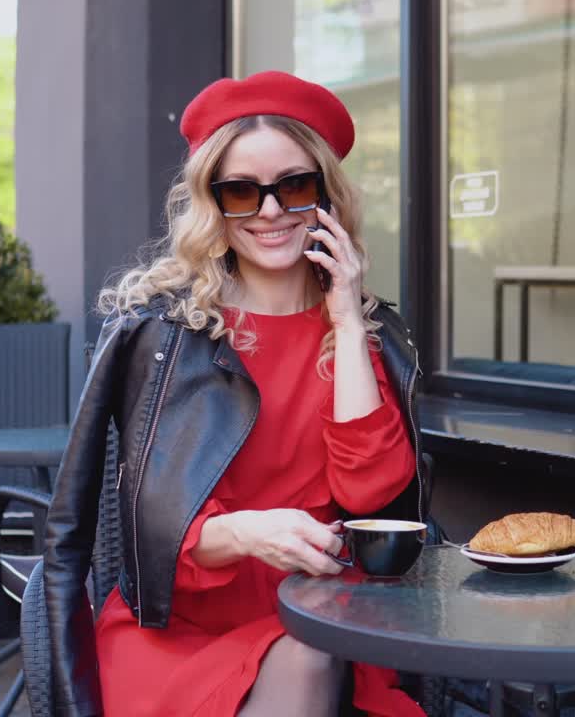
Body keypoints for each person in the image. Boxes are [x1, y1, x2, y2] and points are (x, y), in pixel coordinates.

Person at [42, 71, 429, 717]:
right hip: (177, 632)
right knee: (304, 659)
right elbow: (146, 532)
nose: (270, 212)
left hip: (321, 617)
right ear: (214, 204)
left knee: (309, 650)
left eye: (293, 186)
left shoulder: (366, 332)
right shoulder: (164, 332)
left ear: (326, 197)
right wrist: (247, 533)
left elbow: (371, 495)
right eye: (242, 192)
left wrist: (345, 320)